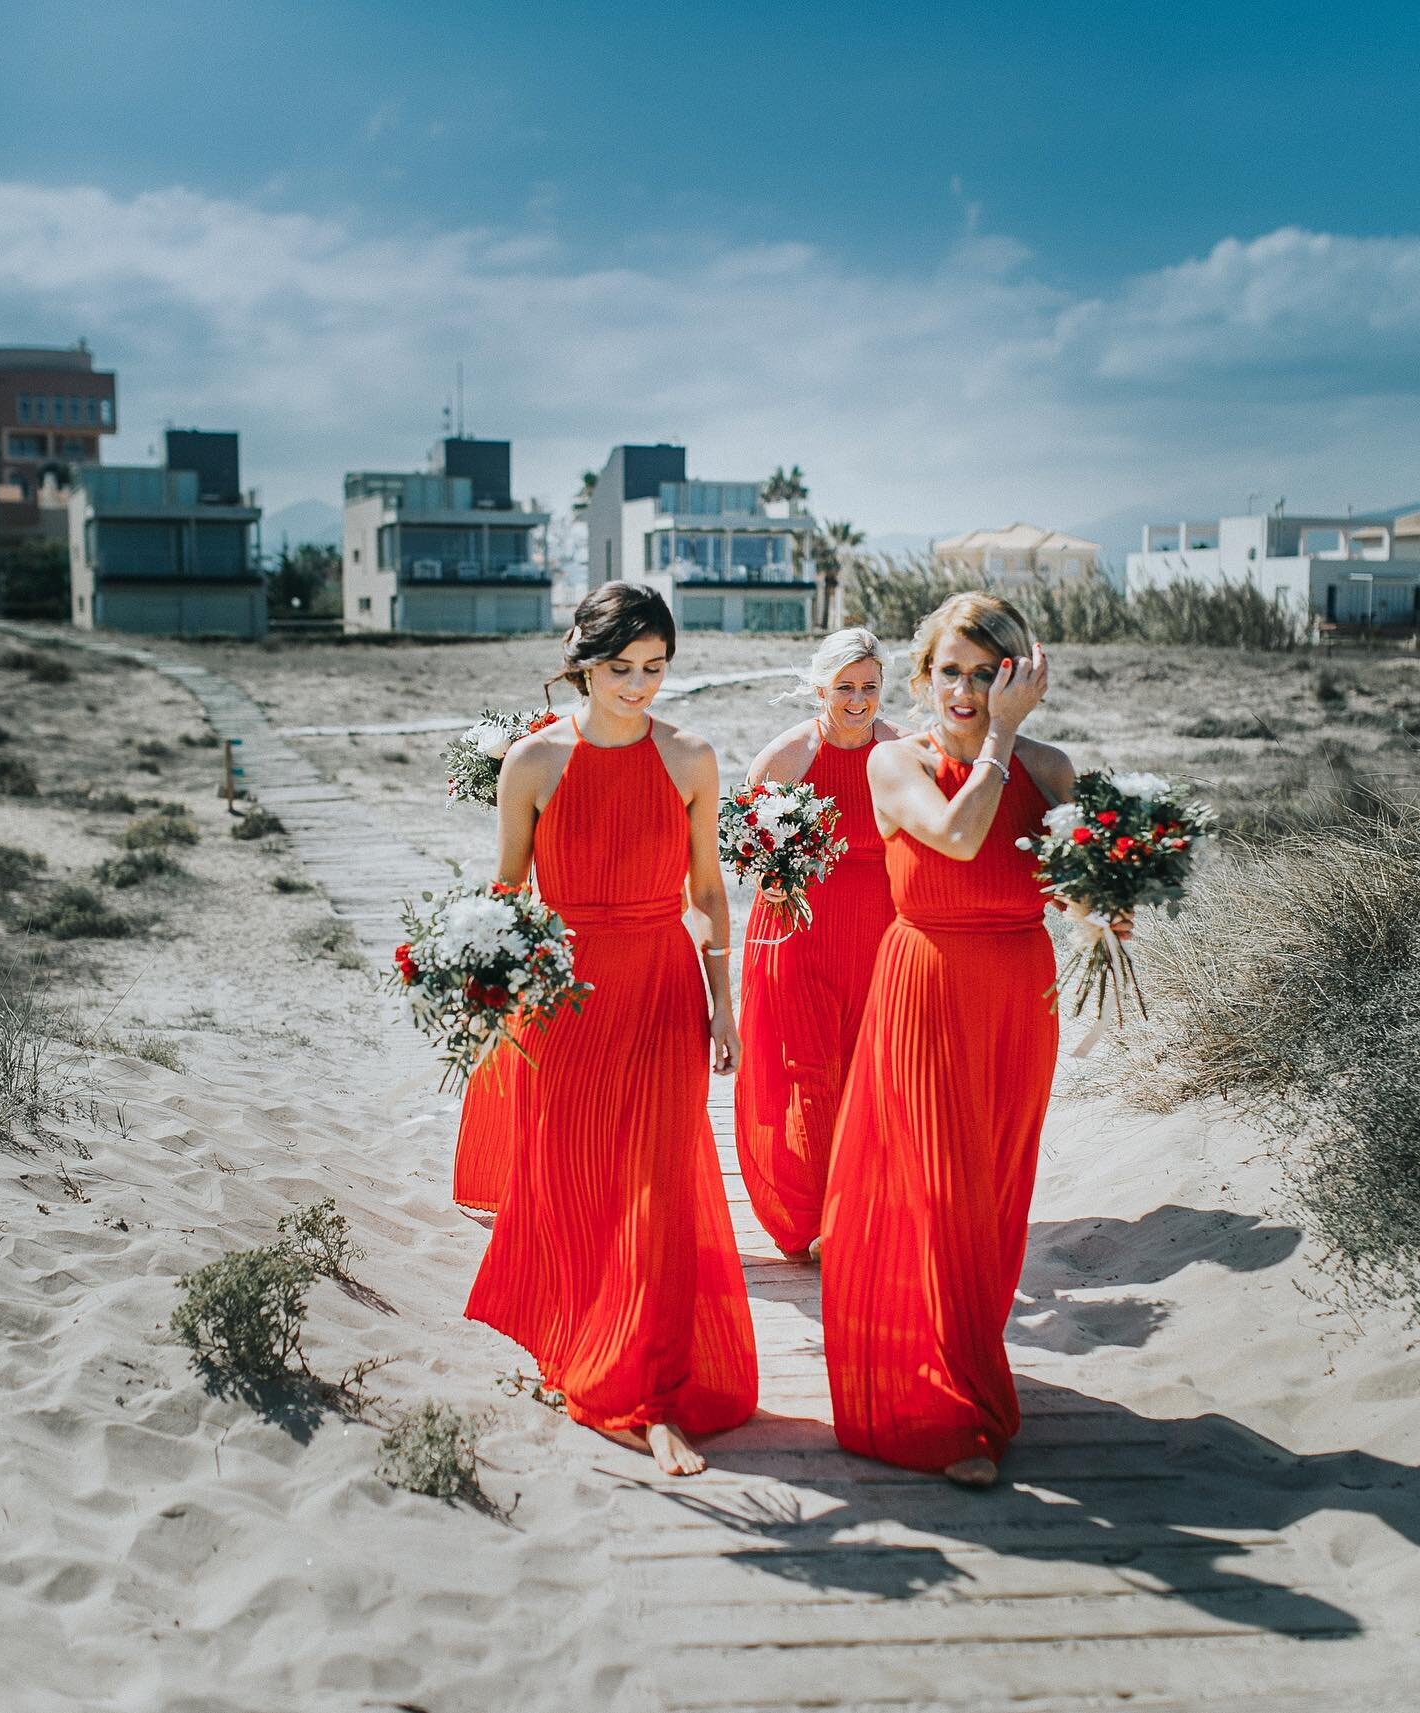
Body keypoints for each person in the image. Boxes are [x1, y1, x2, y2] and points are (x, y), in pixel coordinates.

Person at [821, 591, 1126, 1487]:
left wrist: (1108, 905)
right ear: (922, 677)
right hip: (926, 990)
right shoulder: (893, 766)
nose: (967, 688)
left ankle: (968, 1358)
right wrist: (997, 739)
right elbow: (957, 839)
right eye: (950, 671)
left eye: (988, 672)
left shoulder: (1053, 769)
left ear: (1019, 675)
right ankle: (952, 1415)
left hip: (1016, 994)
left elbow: (1069, 888)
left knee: (994, 1194)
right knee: (943, 1192)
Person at [465, 583, 758, 1476]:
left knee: (659, 1187)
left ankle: (647, 1390)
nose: (638, 686)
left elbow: (708, 893)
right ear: (584, 661)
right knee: (575, 1175)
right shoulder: (534, 764)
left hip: (665, 988)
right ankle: (588, 1341)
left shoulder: (692, 757)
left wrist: (723, 1001)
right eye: (621, 668)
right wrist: (480, 983)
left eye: (656, 669)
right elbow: (509, 888)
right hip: (567, 997)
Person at [734, 629, 905, 1259]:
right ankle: (810, 1214)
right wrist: (768, 880)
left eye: (870, 686)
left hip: (879, 932)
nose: (859, 700)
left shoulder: (903, 750)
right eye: (845, 688)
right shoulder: (786, 757)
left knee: (871, 1071)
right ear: (820, 689)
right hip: (798, 929)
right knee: (809, 1071)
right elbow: (747, 847)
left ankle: (861, 1208)